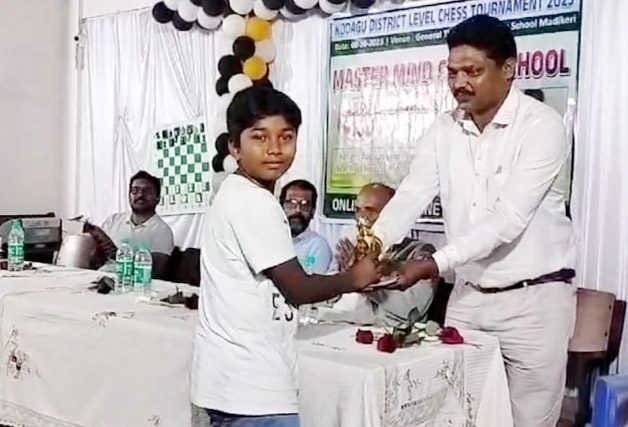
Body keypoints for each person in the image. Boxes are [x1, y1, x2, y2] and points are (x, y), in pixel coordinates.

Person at [361, 15, 575, 427]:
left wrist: (432, 264)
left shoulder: (541, 126)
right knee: (455, 418)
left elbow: (508, 219)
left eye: (473, 71)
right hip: (468, 297)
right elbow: (412, 194)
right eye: (452, 72)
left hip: (533, 304)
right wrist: (374, 243)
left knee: (527, 422)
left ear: (508, 69)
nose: (459, 82)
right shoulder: (444, 129)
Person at [190, 86, 380, 427]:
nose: (275, 149)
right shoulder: (253, 201)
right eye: (259, 137)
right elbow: (297, 288)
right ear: (234, 147)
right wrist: (354, 278)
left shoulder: (237, 193)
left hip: (234, 380)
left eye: (286, 137)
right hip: (252, 386)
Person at [334, 183, 437, 321]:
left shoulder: (419, 252)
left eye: (370, 211)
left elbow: (411, 310)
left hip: (380, 329)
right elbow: (327, 298)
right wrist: (345, 277)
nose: (361, 218)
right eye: (358, 210)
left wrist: (362, 280)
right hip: (336, 322)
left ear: (393, 215)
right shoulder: (351, 248)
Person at [96, 171, 174, 279]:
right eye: (135, 190)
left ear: (157, 198)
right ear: (129, 196)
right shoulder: (113, 221)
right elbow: (95, 256)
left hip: (130, 285)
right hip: (98, 278)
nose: (140, 195)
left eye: (147, 191)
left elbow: (155, 272)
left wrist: (117, 255)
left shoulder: (162, 231)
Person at [279, 179, 332, 274]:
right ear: (281, 208)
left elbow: (312, 282)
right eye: (292, 203)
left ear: (313, 212)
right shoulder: (270, 240)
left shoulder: (317, 246)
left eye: (305, 205)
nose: (298, 210)